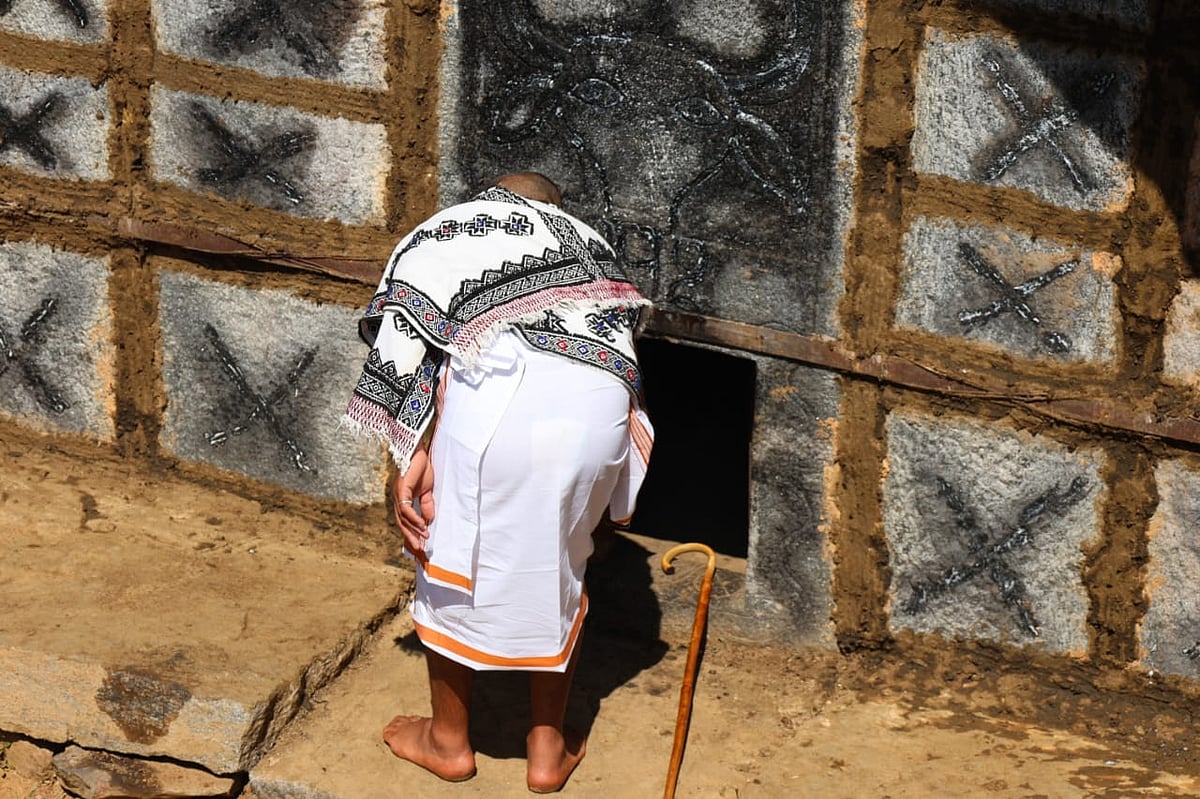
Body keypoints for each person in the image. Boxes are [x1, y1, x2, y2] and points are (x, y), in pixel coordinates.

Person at [344, 172, 653, 792]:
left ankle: (448, 742)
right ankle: (547, 752)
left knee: (447, 555)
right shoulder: (593, 249)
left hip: (496, 418)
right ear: (557, 211)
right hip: (599, 424)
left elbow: (410, 348)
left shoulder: (454, 231)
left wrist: (414, 453)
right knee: (561, 565)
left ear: (490, 201)